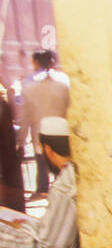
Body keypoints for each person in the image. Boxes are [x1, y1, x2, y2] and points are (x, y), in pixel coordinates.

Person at [0, 116, 79, 248]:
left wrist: (26, 227)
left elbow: (51, 243)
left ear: (47, 149)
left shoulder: (65, 183)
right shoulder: (71, 175)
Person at [18, 51, 71, 197]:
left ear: (36, 63)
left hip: (40, 135)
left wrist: (20, 142)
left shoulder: (29, 84)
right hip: (62, 133)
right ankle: (62, 194)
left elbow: (25, 116)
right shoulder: (64, 82)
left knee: (42, 167)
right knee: (62, 170)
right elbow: (71, 109)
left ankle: (43, 192)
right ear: (53, 62)